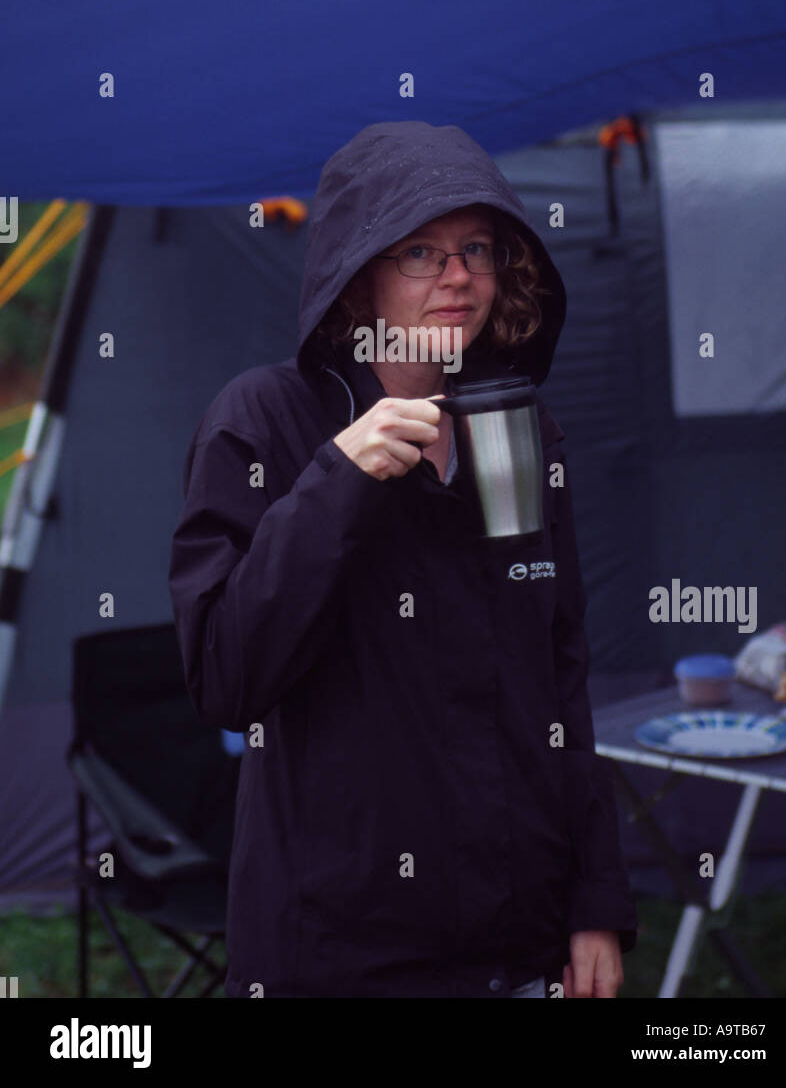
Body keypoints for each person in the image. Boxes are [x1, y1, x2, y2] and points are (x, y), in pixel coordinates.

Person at [168, 119, 638, 998]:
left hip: (517, 947)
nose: (458, 275)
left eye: (476, 248)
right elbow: (225, 675)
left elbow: (559, 677)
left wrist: (593, 900)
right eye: (419, 250)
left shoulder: (518, 426)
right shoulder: (263, 419)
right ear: (356, 280)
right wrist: (340, 478)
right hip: (343, 956)